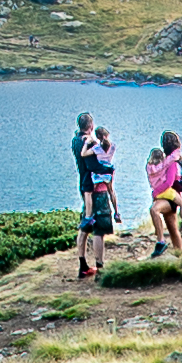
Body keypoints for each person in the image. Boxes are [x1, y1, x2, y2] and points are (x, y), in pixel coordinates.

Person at [80, 126, 119, 279]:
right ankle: (100, 265)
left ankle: (95, 264)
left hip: (94, 188)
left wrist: (88, 142)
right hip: (105, 192)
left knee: (94, 230)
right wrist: (116, 210)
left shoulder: (95, 148)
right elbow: (112, 191)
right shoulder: (112, 148)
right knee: (100, 233)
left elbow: (84, 154)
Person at [148, 128, 182, 257]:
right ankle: (180, 255)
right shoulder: (177, 160)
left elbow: (169, 183)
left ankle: (161, 242)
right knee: (172, 229)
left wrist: (155, 192)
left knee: (154, 210)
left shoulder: (171, 164)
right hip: (173, 196)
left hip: (169, 197)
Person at [71, 110, 101, 278]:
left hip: (82, 182)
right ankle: (98, 265)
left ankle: (83, 264)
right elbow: (93, 165)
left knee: (85, 224)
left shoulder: (75, 140)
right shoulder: (87, 143)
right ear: (90, 126)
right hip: (91, 185)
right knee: (93, 224)